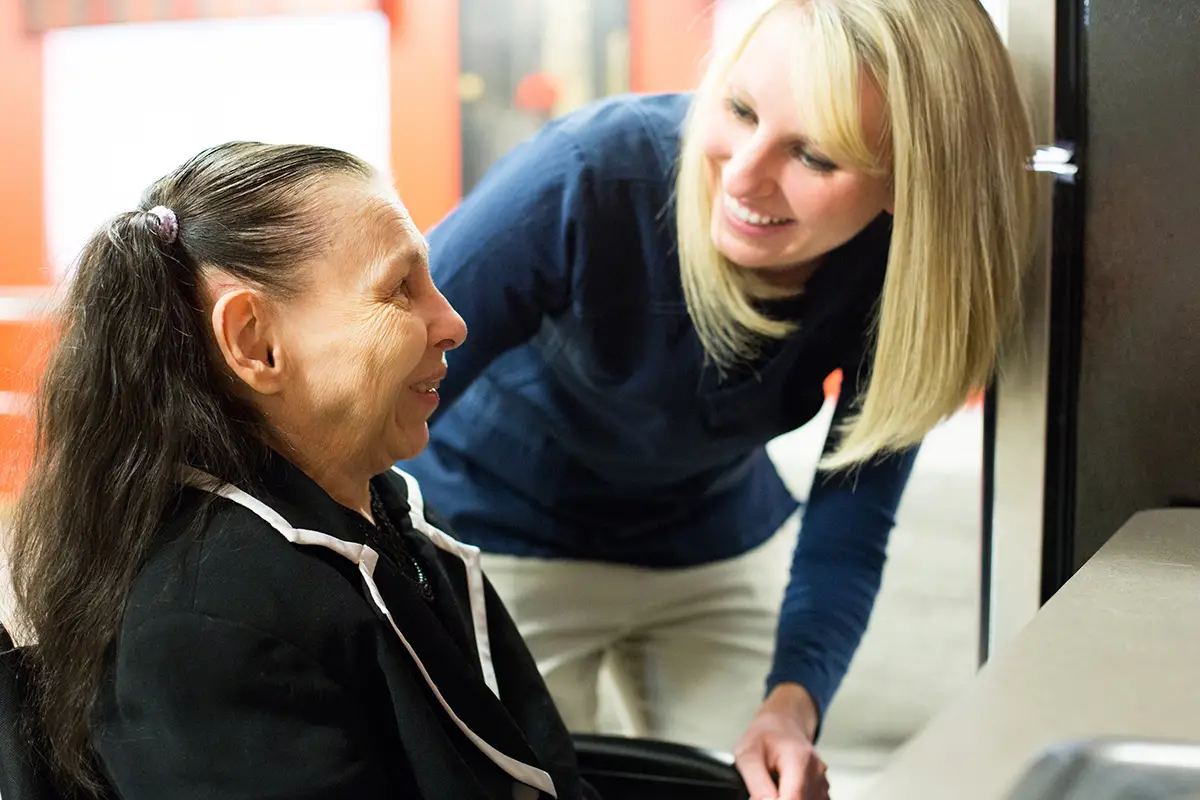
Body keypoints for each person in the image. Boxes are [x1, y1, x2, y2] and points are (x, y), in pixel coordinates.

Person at [402, 0, 1037, 798]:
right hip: (503, 531)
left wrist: (792, 706)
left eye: (814, 155)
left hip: (708, 541)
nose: (741, 176)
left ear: (909, 184)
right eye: (739, 109)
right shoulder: (590, 173)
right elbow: (374, 392)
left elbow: (852, 525)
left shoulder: (905, 280)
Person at [6, 142, 595, 799]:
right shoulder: (211, 627)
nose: (453, 323)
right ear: (255, 342)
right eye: (401, 288)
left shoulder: (385, 511)